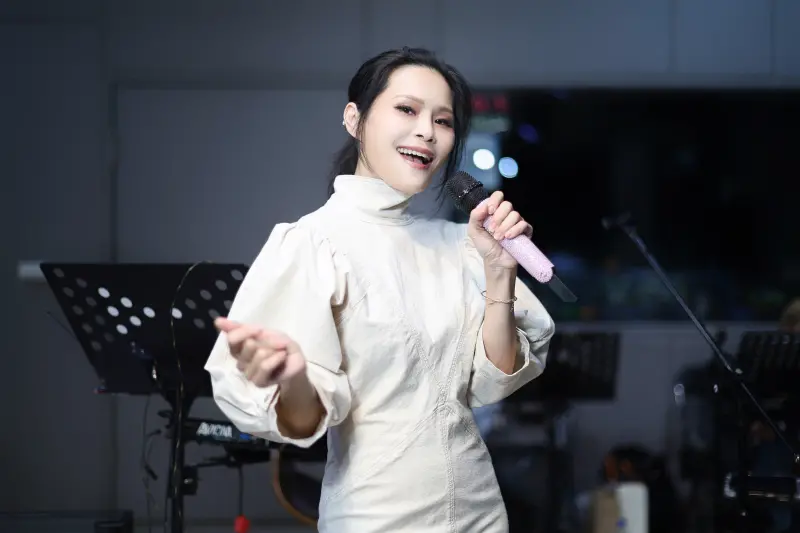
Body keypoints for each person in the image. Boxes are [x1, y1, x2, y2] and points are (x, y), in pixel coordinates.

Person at [204, 47, 555, 533]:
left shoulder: (459, 245)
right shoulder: (314, 243)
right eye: (407, 109)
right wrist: (294, 378)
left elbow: (492, 380)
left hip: (480, 513)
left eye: (443, 120)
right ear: (355, 119)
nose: (427, 131)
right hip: (375, 517)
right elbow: (302, 423)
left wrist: (499, 273)